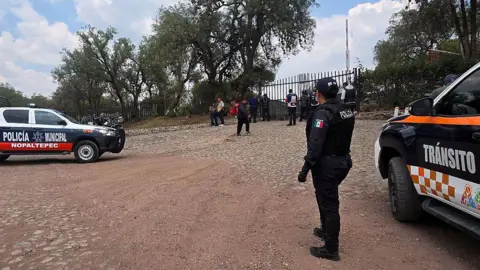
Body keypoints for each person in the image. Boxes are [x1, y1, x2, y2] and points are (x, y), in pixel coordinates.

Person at [297, 77, 355, 261]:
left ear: (318, 94)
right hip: (343, 161)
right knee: (324, 196)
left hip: (327, 165)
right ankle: (325, 230)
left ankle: (331, 248)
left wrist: (305, 169)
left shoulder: (323, 114)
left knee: (329, 204)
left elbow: (315, 143)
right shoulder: (345, 110)